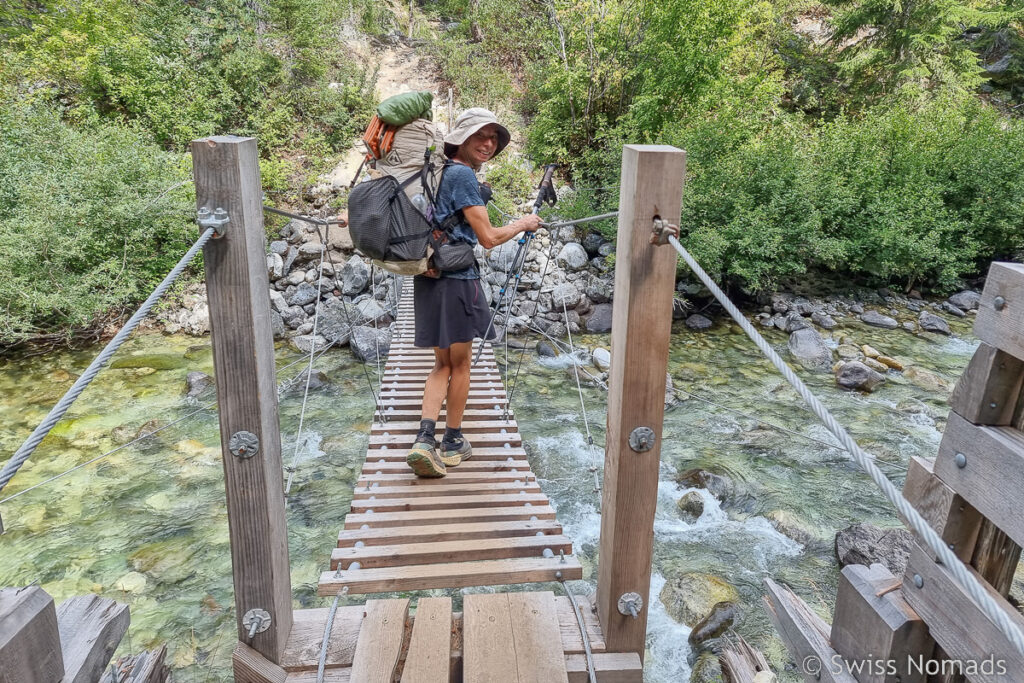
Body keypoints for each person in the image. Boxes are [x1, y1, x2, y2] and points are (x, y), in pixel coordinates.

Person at [405, 108, 541, 478]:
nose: (488, 143)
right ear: (460, 140)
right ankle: (451, 443)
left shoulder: (435, 171)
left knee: (441, 364)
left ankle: (423, 439)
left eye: (494, 138)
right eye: (481, 136)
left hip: (428, 274)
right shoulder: (462, 173)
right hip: (458, 279)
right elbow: (489, 238)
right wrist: (524, 223)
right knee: (460, 364)